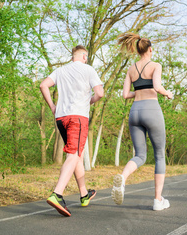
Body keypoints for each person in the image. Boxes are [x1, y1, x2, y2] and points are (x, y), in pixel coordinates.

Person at [39, 45, 104, 217]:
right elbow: (100, 93)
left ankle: (84, 195)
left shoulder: (60, 70)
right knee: (73, 154)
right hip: (77, 117)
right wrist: (89, 101)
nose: (87, 59)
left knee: (78, 155)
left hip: (61, 118)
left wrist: (52, 106)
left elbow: (43, 85)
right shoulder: (88, 69)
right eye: (86, 57)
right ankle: (57, 194)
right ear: (84, 56)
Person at [112, 33, 173, 211]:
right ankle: (157, 200)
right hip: (151, 109)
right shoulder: (155, 65)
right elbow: (156, 86)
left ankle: (123, 178)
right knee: (159, 155)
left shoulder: (131, 69)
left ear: (138, 50)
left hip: (134, 112)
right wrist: (167, 93)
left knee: (140, 155)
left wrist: (138, 91)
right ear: (150, 49)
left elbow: (125, 95)